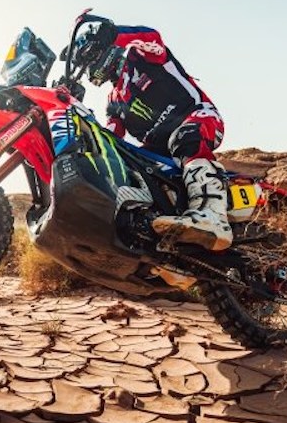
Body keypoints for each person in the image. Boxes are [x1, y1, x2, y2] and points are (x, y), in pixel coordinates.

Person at [74, 18, 232, 253]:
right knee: (131, 164)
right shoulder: (113, 101)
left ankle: (212, 216)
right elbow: (111, 139)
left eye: (89, 58)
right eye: (85, 66)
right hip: (160, 150)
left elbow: (152, 37)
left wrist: (114, 33)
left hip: (198, 117)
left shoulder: (141, 56)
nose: (89, 69)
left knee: (184, 139)